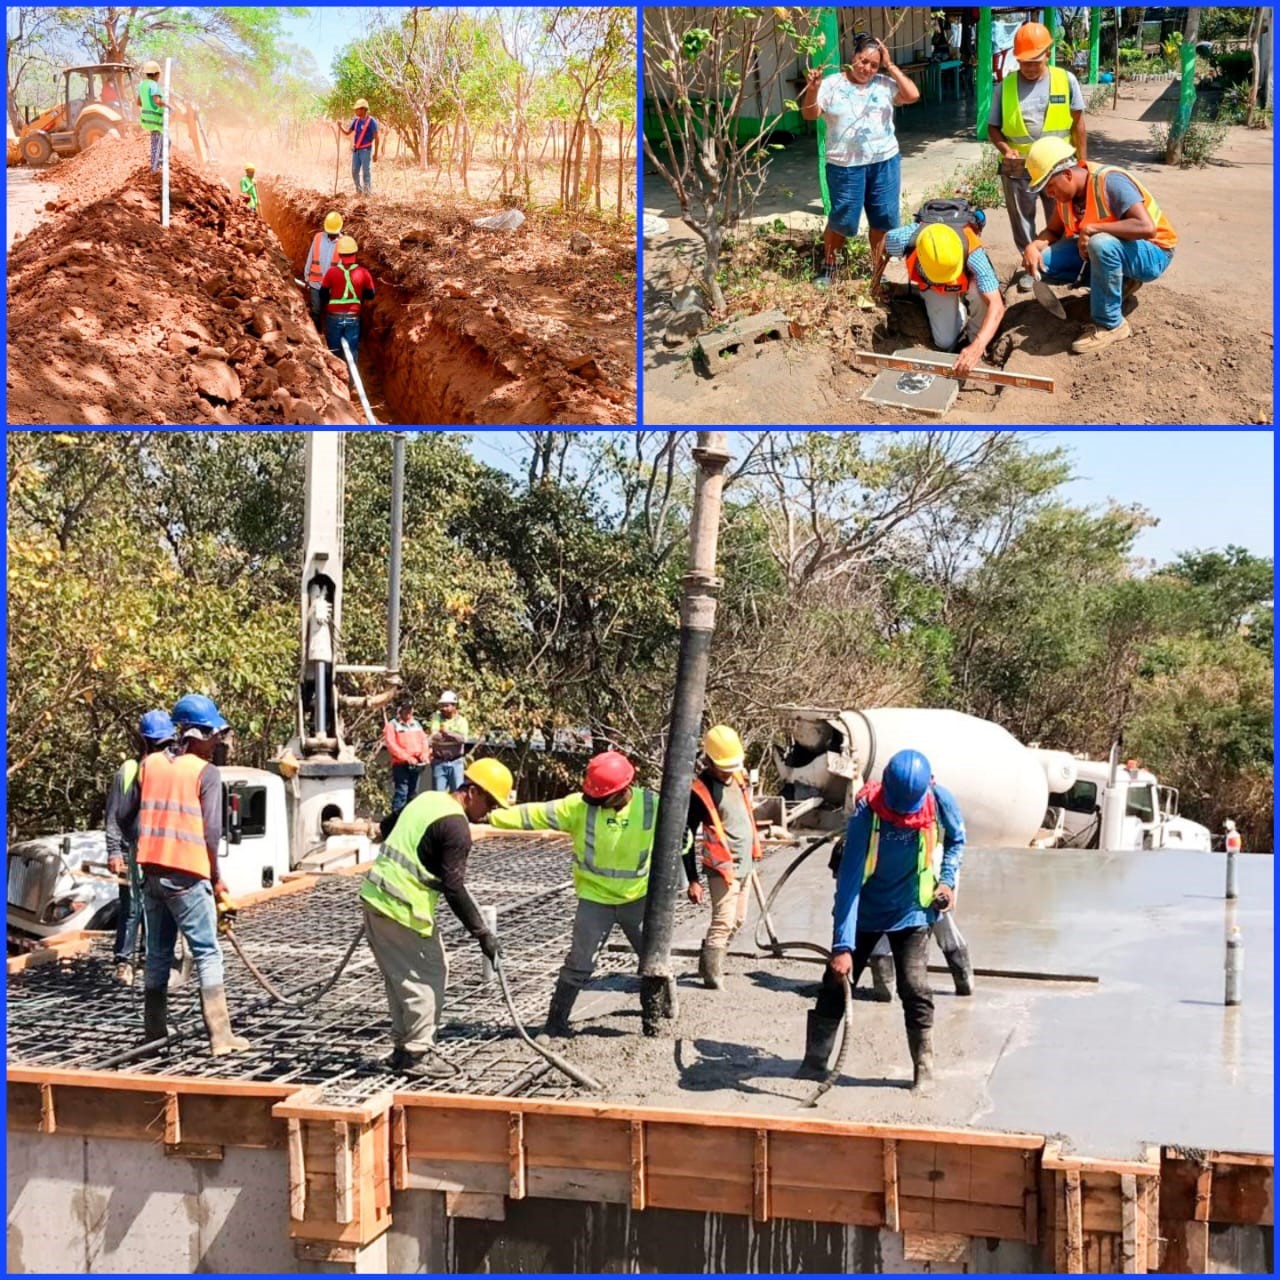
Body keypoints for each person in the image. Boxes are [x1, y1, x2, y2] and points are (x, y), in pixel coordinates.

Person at [802, 748, 966, 1093]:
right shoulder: (867, 816)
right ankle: (814, 1062)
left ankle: (924, 1068)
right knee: (835, 984)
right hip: (865, 914)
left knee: (915, 987)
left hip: (912, 912)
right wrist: (842, 946)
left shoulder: (938, 801)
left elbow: (956, 841)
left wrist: (947, 880)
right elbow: (847, 886)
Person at [489, 750, 660, 1037]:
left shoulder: (651, 806)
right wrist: (492, 814)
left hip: (637, 898)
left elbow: (680, 839)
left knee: (653, 959)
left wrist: (684, 844)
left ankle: (656, 1018)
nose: (595, 803)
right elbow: (534, 814)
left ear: (621, 791)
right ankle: (556, 1023)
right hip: (595, 900)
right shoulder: (580, 807)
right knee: (579, 962)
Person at [360, 758, 512, 1078]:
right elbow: (454, 888)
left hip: (376, 898)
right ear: (471, 791)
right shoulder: (457, 828)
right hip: (403, 908)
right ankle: (417, 1053)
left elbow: (387, 827)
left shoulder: (429, 798)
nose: (490, 811)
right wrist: (483, 933)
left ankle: (404, 1048)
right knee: (427, 975)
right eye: (489, 801)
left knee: (401, 977)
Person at [121, 693, 249, 1057]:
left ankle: (154, 1035)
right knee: (208, 952)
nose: (217, 744)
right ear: (196, 733)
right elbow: (211, 833)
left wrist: (142, 844)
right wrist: (215, 876)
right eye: (214, 736)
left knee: (159, 953)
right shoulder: (205, 773)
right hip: (188, 876)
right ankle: (220, 1036)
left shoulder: (150, 765)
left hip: (152, 873)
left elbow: (124, 815)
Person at [1022, 136, 1177, 353]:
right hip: (1114, 250)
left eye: (1049, 187)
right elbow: (1053, 231)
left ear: (1067, 175)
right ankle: (1120, 284)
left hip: (1153, 252)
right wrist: (1033, 246)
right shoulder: (1066, 199)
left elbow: (1146, 227)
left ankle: (1111, 324)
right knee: (1043, 263)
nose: (1048, 194)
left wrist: (1093, 229)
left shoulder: (1110, 181)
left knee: (1100, 243)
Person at [800, 35, 920, 288]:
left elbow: (912, 95)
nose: (867, 68)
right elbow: (810, 115)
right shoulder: (832, 84)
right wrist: (812, 88)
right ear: (852, 57)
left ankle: (879, 272)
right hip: (845, 166)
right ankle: (830, 267)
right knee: (842, 220)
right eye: (862, 61)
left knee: (883, 220)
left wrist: (890, 66)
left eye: (873, 65)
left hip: (884, 162)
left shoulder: (884, 84)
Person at [987, 21, 1087, 292]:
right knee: (1022, 221)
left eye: (1035, 60)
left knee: (1063, 218)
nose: (1030, 67)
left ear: (1048, 53)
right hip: (1019, 169)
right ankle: (1030, 264)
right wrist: (1006, 149)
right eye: (1024, 62)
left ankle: (1060, 264)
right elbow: (993, 128)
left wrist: (1083, 164)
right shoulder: (1004, 87)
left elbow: (1078, 124)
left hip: (1058, 167)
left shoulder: (1065, 80)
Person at [870, 201, 1005, 377]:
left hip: (968, 281)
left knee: (981, 295)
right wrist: (875, 283)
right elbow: (883, 245)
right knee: (944, 342)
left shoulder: (973, 252)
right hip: (932, 286)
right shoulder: (906, 238)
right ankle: (959, 314)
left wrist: (977, 346)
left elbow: (997, 305)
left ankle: (973, 336)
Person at [682, 725, 762, 990]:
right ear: (711, 761)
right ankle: (712, 977)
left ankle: (709, 959)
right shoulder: (700, 790)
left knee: (738, 920)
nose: (729, 770)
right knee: (723, 921)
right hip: (722, 868)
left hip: (745, 863)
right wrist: (692, 879)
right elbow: (686, 837)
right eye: (724, 766)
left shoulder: (738, 777)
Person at [104, 709, 175, 986]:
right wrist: (114, 851)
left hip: (159, 850)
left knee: (155, 906)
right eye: (159, 744)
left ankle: (149, 959)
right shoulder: (130, 771)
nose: (163, 750)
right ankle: (124, 962)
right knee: (132, 905)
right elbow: (114, 815)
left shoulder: (170, 771)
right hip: (133, 849)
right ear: (145, 742)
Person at [319, 235, 375, 373]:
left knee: (334, 350)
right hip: (353, 317)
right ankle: (351, 381)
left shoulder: (332, 272)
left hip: (333, 317)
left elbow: (322, 294)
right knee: (352, 349)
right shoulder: (364, 273)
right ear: (355, 254)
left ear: (340, 254)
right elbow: (371, 294)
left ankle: (336, 378)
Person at [384, 698, 430, 816]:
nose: (408, 712)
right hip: (401, 764)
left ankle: (410, 819)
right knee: (401, 793)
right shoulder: (392, 725)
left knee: (413, 793)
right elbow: (391, 745)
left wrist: (424, 754)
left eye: (410, 709)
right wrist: (407, 757)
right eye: (406, 709)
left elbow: (423, 741)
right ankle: (396, 820)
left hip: (416, 764)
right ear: (400, 710)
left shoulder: (416, 724)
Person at [304, 211, 345, 332]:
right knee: (315, 310)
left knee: (330, 312)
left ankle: (329, 334)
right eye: (329, 232)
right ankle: (317, 333)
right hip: (315, 283)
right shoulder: (318, 238)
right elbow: (310, 257)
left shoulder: (343, 243)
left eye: (334, 233)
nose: (331, 235)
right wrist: (307, 277)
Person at [429, 692, 471, 792]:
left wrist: (447, 733)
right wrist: (454, 736)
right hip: (439, 762)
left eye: (447, 706)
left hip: (456, 762)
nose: (443, 708)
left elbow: (462, 739)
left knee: (458, 793)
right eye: (442, 706)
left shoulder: (462, 721)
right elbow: (435, 736)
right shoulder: (437, 718)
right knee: (438, 795)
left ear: (454, 706)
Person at [338, 98, 380, 196]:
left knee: (366, 172)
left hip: (366, 150)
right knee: (354, 171)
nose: (356, 111)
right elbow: (348, 132)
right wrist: (340, 126)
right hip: (356, 151)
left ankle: (367, 193)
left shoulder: (371, 121)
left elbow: (377, 138)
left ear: (363, 109)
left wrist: (376, 153)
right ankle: (359, 190)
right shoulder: (356, 121)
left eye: (357, 109)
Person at [137, 60, 168, 174]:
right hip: (155, 120)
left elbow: (139, 102)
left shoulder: (142, 85)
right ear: (156, 74)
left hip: (147, 119)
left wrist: (147, 105)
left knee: (165, 141)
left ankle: (159, 164)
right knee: (156, 143)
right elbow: (156, 101)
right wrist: (168, 106)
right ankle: (154, 169)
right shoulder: (153, 85)